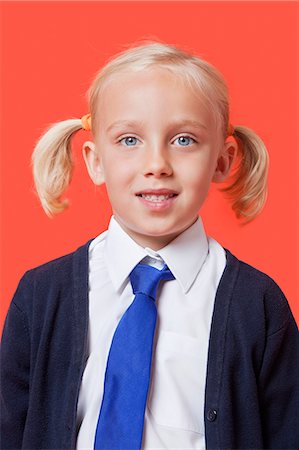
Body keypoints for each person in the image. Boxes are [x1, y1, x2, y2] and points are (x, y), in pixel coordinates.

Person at [1, 39, 298, 450]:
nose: (156, 164)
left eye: (183, 140)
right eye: (128, 140)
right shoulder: (40, 295)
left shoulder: (258, 304)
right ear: (95, 161)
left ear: (222, 160)